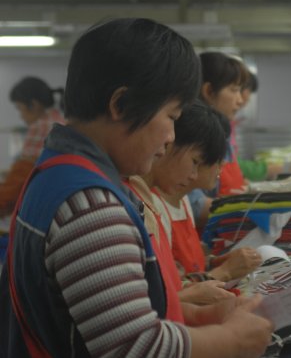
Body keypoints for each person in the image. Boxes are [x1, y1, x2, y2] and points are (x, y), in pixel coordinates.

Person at [0, 18, 272, 358]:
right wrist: (231, 341)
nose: (172, 137)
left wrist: (198, 314)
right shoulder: (90, 205)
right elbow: (134, 348)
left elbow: (100, 317)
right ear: (121, 105)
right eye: (171, 117)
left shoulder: (57, 173)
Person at [146, 102, 261, 293]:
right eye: (196, 160)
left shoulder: (181, 200)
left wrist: (213, 263)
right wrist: (223, 272)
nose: (222, 164)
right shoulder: (152, 206)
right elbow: (170, 293)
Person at [188, 51, 249, 229]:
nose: (240, 101)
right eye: (234, 90)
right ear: (208, 91)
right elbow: (193, 203)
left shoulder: (225, 134)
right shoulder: (193, 138)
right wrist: (246, 208)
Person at [0, 77, 65, 216]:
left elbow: (20, 180)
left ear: (34, 105)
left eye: (20, 108)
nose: (21, 116)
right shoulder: (60, 120)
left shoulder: (41, 126)